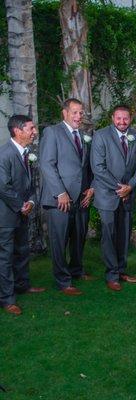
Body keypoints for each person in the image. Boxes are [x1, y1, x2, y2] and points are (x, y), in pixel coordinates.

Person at [39, 98, 94, 295]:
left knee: (79, 236)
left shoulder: (83, 134)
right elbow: (46, 164)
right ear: (65, 113)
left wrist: (90, 188)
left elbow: (84, 167)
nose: (79, 116)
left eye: (81, 113)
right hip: (59, 199)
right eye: (75, 112)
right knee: (60, 240)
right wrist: (60, 193)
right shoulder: (52, 132)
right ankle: (63, 281)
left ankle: (77, 270)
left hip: (81, 198)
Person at [91, 105, 136, 291]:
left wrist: (130, 186)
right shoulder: (101, 136)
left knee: (124, 233)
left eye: (126, 118)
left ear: (131, 118)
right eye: (118, 118)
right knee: (109, 235)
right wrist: (118, 188)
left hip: (127, 194)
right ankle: (111, 274)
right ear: (112, 117)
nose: (122, 122)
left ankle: (121, 270)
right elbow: (98, 168)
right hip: (107, 195)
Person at [0, 115, 45, 315]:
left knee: (22, 250)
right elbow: (3, 186)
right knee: (5, 257)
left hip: (22, 212)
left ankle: (22, 285)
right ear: (18, 131)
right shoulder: (4, 154)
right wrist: (21, 205)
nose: (34, 132)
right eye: (31, 128)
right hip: (6, 216)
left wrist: (32, 202)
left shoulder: (27, 152)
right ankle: (7, 299)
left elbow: (30, 183)